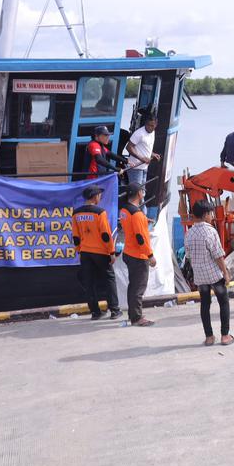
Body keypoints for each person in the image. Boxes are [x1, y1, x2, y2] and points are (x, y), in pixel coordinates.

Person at [184, 200, 234, 346]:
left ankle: (209, 337)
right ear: (206, 214)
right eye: (211, 213)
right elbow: (218, 255)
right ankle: (225, 336)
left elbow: (188, 255)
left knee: (205, 304)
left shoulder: (189, 233)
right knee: (223, 302)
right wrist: (225, 273)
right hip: (213, 273)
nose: (212, 216)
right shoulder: (210, 231)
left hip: (199, 275)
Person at [72, 184, 120, 320]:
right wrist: (111, 252)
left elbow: (75, 236)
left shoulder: (76, 213)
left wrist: (79, 251)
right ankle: (115, 311)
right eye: (99, 195)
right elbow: (105, 234)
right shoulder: (100, 212)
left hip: (85, 252)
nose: (100, 197)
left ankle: (95, 312)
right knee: (109, 279)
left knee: (89, 282)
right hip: (101, 252)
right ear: (94, 197)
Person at [119, 184, 156, 327]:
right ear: (139, 194)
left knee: (133, 286)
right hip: (138, 255)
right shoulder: (137, 214)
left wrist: (144, 221)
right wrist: (150, 255)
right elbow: (141, 238)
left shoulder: (124, 210)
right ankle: (136, 318)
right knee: (138, 287)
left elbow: (131, 225)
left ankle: (133, 314)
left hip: (128, 252)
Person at [124, 115, 158, 188]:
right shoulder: (139, 133)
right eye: (148, 125)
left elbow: (145, 147)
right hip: (135, 167)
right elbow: (129, 147)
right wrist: (141, 158)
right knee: (136, 193)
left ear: (156, 125)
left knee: (142, 193)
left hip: (144, 167)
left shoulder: (153, 132)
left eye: (152, 126)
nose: (149, 127)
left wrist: (152, 154)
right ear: (145, 123)